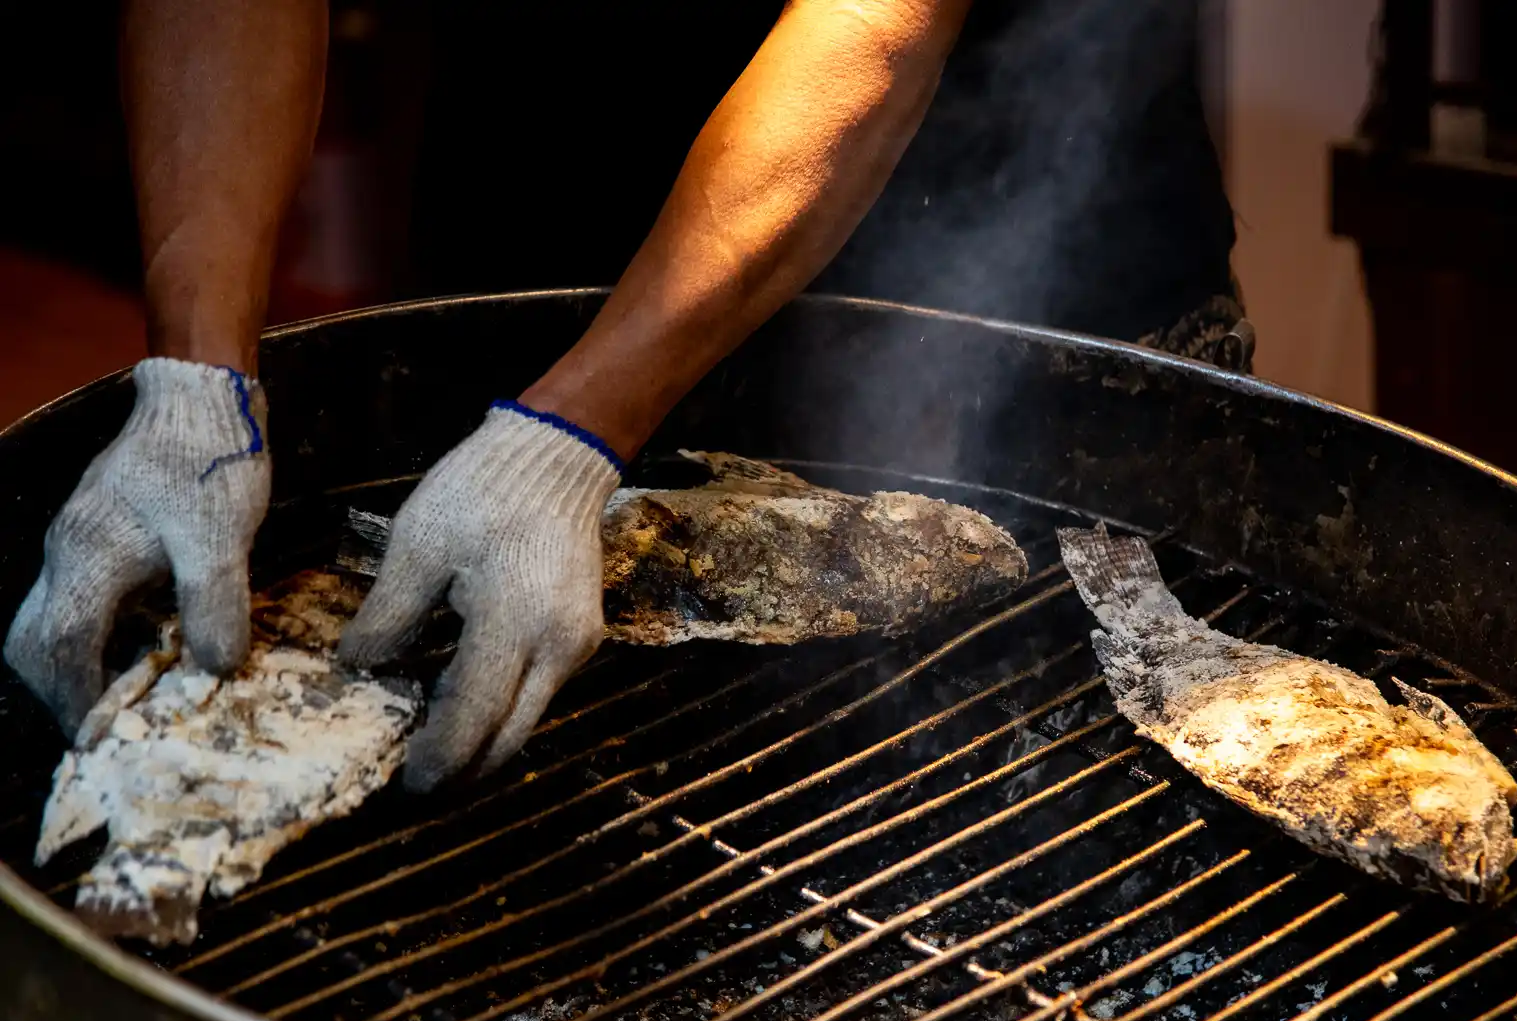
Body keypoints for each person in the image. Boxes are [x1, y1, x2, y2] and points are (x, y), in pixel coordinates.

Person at [5, 0, 1236, 792]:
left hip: (988, 318)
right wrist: (194, 387)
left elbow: (879, 18)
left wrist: (572, 432)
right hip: (544, 262)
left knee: (1017, 811)